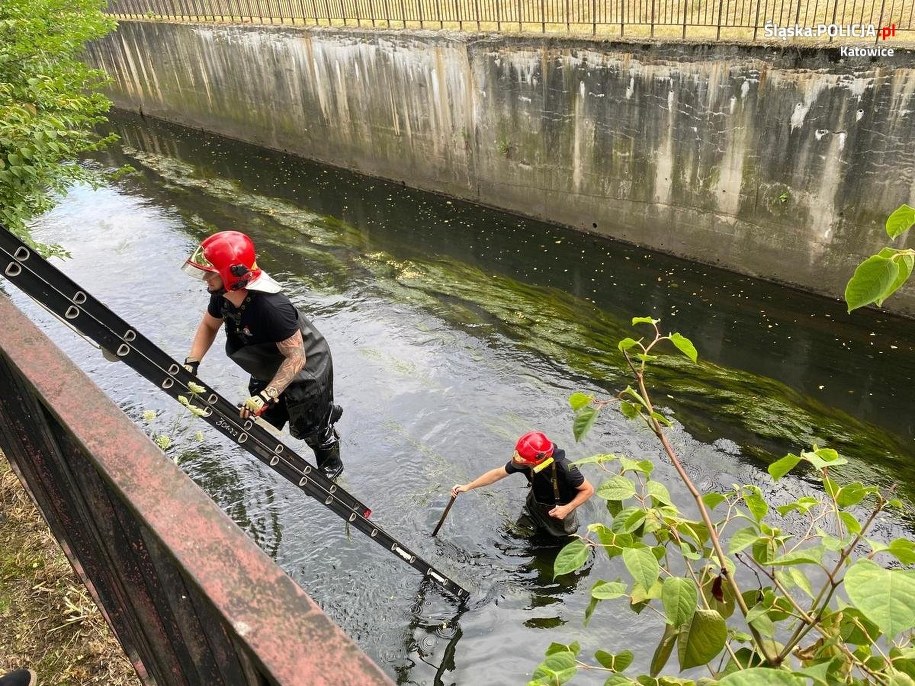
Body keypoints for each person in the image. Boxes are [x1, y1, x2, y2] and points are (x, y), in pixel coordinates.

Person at [182, 230, 344, 479]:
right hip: (270, 362)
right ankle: (301, 413)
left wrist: (267, 395)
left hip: (306, 368)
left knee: (311, 428)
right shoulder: (222, 296)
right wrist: (192, 362)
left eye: (210, 273)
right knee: (267, 409)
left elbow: (297, 358)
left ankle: (331, 460)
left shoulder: (271, 307)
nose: (205, 277)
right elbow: (209, 326)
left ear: (230, 275)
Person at [451, 431, 593, 538]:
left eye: (525, 462)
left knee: (557, 542)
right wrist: (468, 486)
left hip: (560, 512)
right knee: (517, 535)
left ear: (538, 459)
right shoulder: (525, 463)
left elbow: (588, 490)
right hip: (534, 506)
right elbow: (497, 474)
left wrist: (567, 509)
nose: (522, 464)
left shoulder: (566, 468)